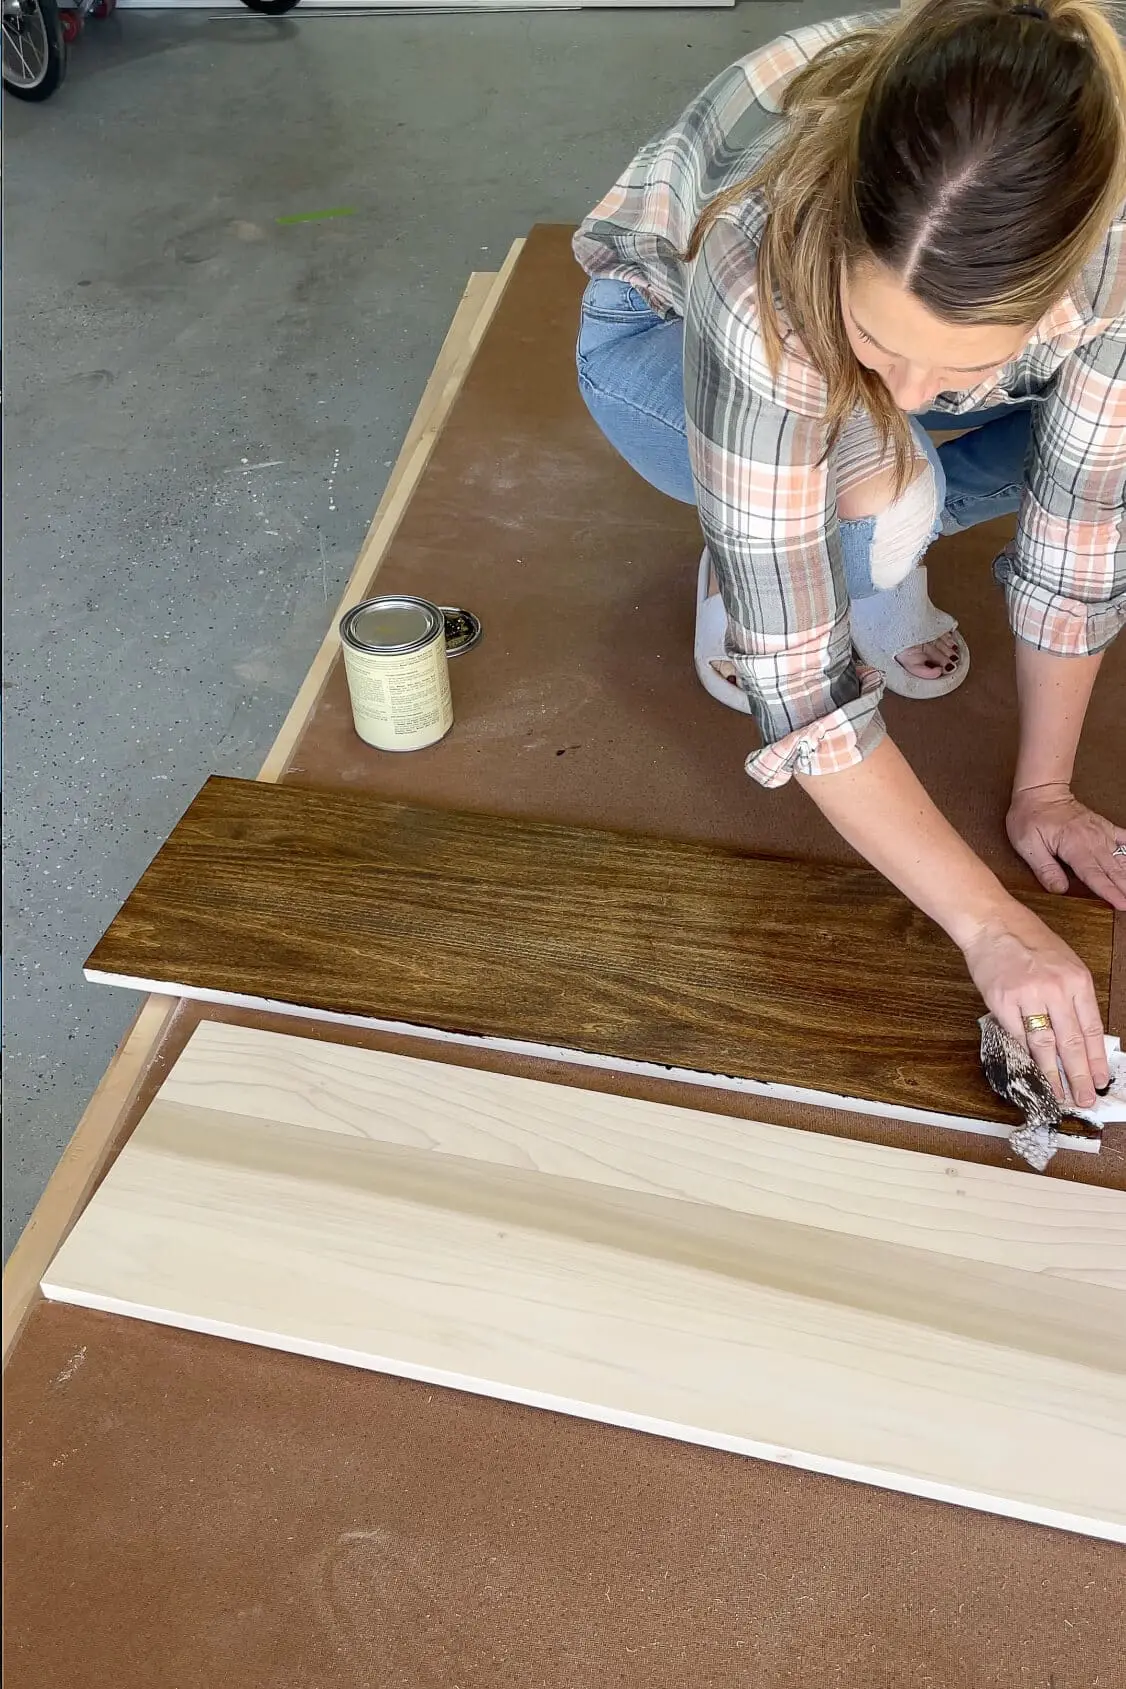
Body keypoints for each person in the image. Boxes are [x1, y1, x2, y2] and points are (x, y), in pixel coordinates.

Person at [574, 0, 1125, 1111]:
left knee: (967, 450)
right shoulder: (759, 252)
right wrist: (990, 925)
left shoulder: (1116, 255)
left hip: (905, 345)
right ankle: (768, 553)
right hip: (655, 350)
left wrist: (1045, 791)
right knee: (886, 482)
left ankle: (850, 530)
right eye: (882, 339)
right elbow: (799, 686)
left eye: (966, 356)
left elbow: (1082, 524)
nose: (915, 394)